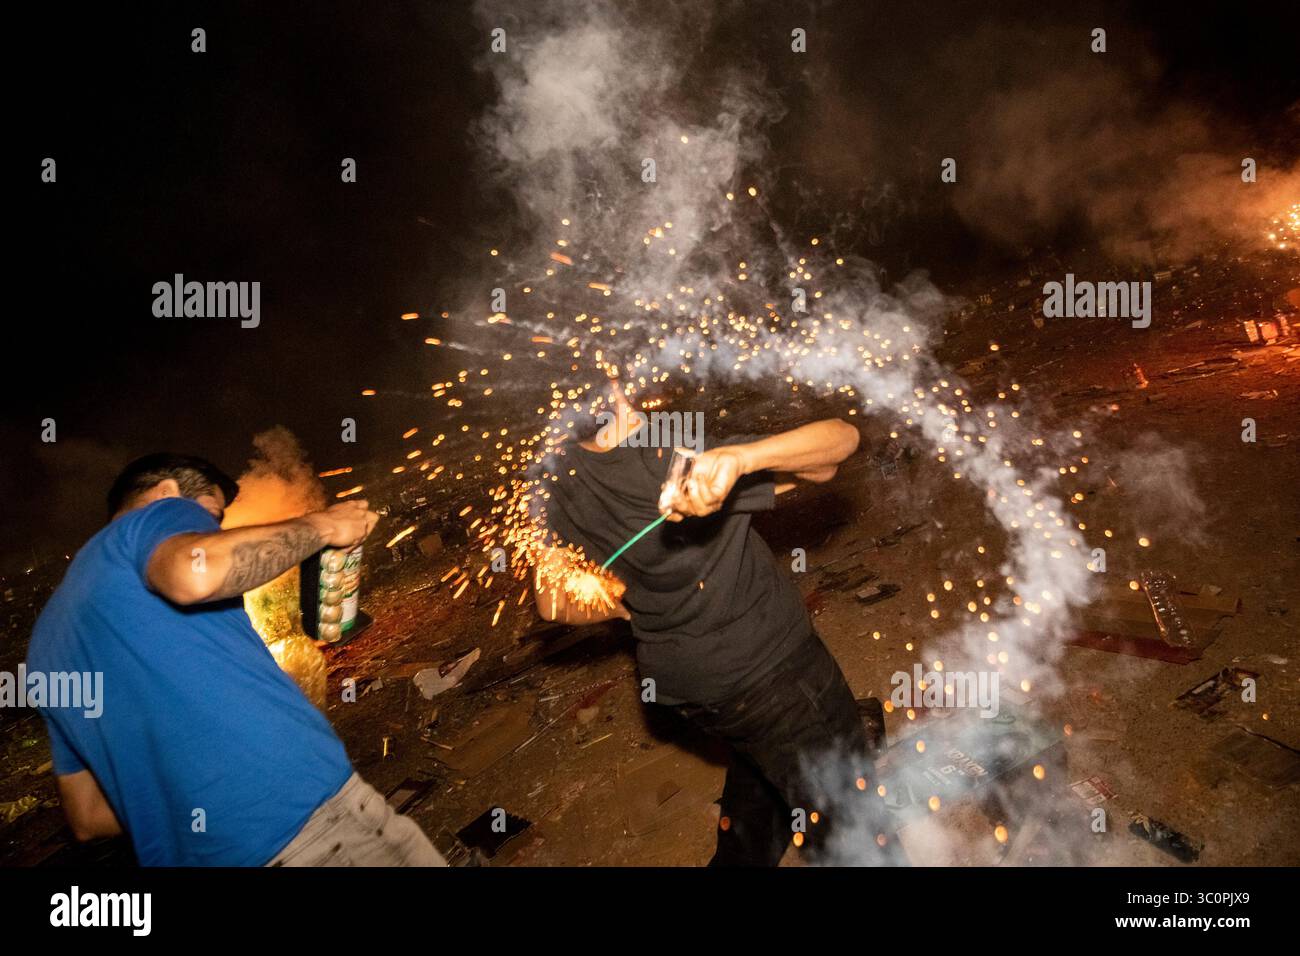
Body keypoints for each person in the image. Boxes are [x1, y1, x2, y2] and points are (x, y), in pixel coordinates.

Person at [26, 453, 446, 866]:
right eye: (210, 516)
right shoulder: (149, 521)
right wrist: (327, 524)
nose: (210, 529)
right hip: (309, 827)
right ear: (165, 494)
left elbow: (86, 816)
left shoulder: (45, 644)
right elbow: (197, 573)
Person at [533, 384, 892, 865]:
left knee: (762, 764)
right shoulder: (668, 447)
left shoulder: (552, 474)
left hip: (689, 688)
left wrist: (624, 604)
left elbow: (554, 603)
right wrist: (741, 457)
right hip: (775, 673)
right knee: (851, 823)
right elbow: (837, 445)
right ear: (611, 380)